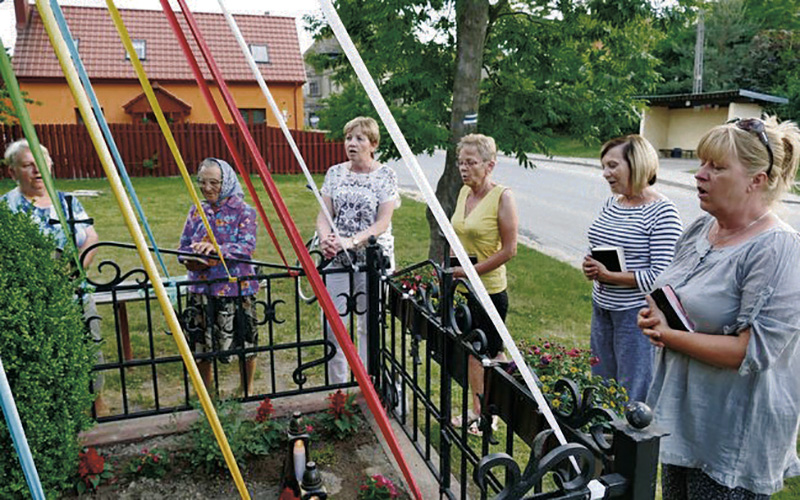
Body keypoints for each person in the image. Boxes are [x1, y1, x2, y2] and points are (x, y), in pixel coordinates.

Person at [638, 116, 800, 498]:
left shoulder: (777, 248)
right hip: (681, 416)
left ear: (756, 180)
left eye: (717, 167)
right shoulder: (701, 228)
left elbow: (751, 351)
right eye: (702, 163)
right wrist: (657, 315)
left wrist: (668, 335)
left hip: (731, 433)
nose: (700, 175)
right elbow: (677, 295)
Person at [1, 139, 105, 415]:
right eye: (28, 165)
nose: (37, 171)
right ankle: (49, 411)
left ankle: (95, 403)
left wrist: (74, 270)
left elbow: (90, 237)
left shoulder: (68, 202)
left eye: (41, 164)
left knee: (88, 345)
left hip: (74, 289)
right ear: (12, 172)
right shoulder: (6, 208)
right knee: (41, 356)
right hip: (30, 298)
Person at [581, 134, 682, 403]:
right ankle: (603, 438)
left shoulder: (663, 212)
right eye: (604, 166)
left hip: (635, 315)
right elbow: (601, 243)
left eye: (613, 166)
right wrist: (590, 265)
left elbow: (661, 277)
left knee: (632, 389)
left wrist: (609, 275)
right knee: (602, 381)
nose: (605, 173)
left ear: (637, 164)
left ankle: (626, 443)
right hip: (602, 307)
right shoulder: (612, 203)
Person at [316, 116, 399, 385]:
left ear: (373, 144)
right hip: (337, 259)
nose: (352, 143)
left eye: (359, 138)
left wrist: (351, 241)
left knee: (368, 324)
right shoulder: (335, 173)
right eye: (348, 138)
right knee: (333, 325)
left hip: (371, 262)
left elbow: (383, 222)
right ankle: (338, 387)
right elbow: (324, 213)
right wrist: (324, 238)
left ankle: (367, 382)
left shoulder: (385, 175)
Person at [449, 134, 518, 436]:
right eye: (460, 162)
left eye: (471, 162)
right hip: (464, 286)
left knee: (484, 355)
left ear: (490, 165)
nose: (464, 168)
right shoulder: (465, 193)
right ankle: (484, 409)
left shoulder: (503, 197)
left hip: (488, 289)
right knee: (476, 353)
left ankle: (488, 414)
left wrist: (470, 271)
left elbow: (510, 249)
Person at [178, 158, 259, 395]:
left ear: (227, 182)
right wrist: (191, 255)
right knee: (201, 343)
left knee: (245, 341)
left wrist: (216, 250)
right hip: (201, 288)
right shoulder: (196, 210)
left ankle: (247, 389)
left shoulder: (244, 211)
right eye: (202, 182)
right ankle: (208, 392)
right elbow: (182, 247)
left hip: (236, 288)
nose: (207, 188)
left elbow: (246, 247)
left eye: (214, 182)